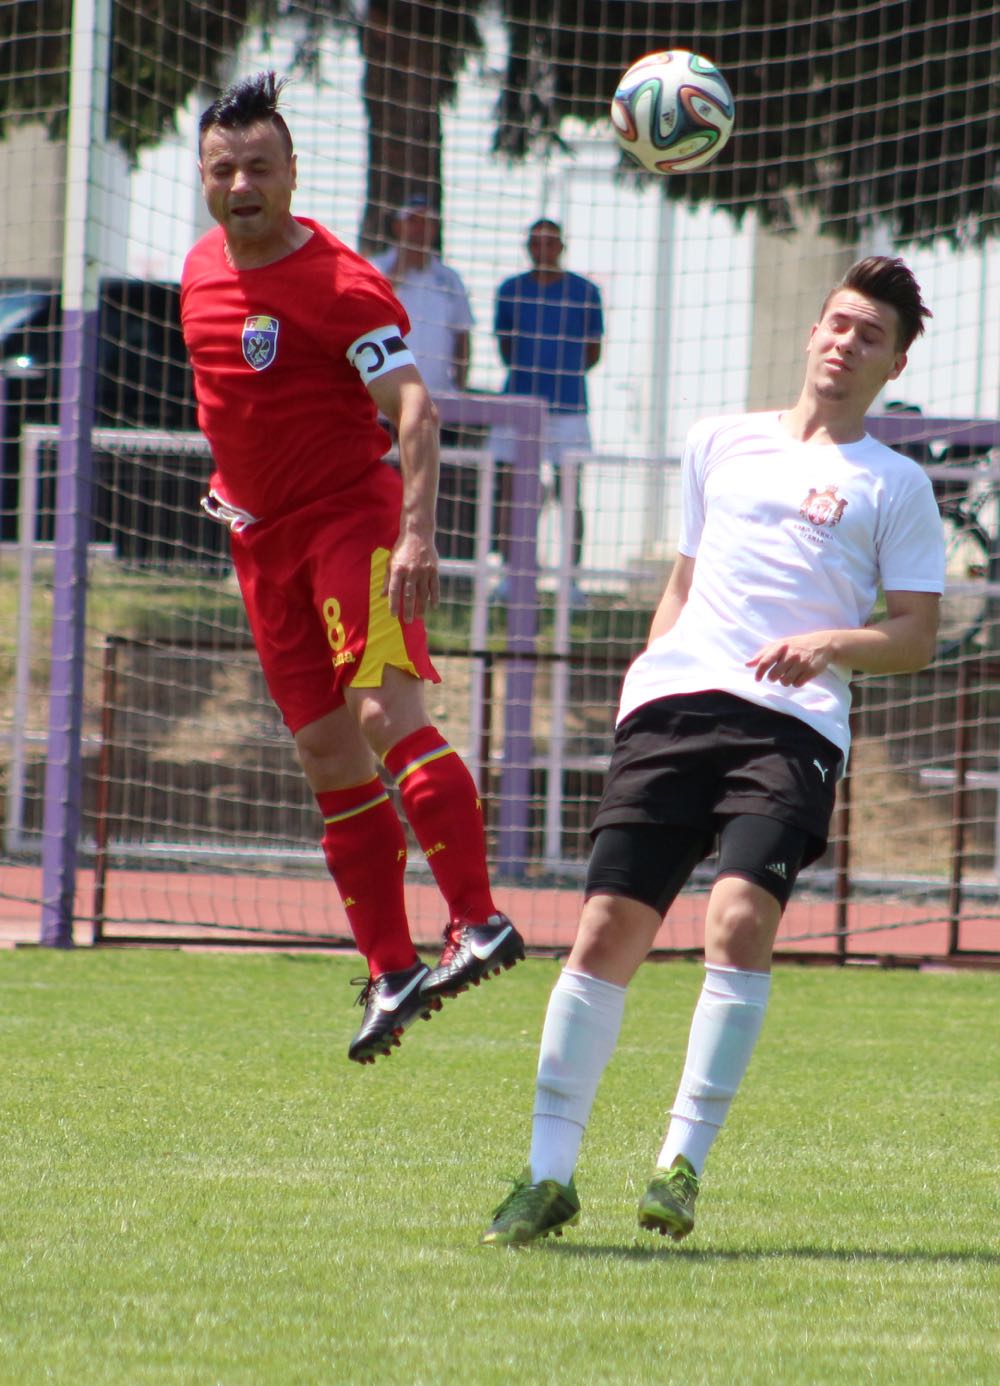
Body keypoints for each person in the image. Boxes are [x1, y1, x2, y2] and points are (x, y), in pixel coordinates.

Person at [480, 255, 944, 1246]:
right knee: (605, 927)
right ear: (811, 333)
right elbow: (684, 581)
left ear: (893, 363)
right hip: (673, 706)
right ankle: (546, 1174)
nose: (842, 342)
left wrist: (828, 643)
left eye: (868, 334)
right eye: (834, 323)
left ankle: (678, 1164)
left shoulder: (895, 485)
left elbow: (914, 635)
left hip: (792, 723)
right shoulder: (717, 442)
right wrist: (645, 675)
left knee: (737, 918)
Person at [180, 72, 524, 1067]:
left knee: (383, 716)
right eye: (222, 167)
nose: (241, 183)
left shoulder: (340, 283)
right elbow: (237, 403)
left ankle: (479, 920)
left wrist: (416, 534)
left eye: (258, 166)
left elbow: (414, 408)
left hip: (352, 525)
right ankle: (391, 968)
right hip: (261, 545)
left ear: (293, 174)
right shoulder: (200, 269)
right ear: (205, 178)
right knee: (328, 756)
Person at [491, 219, 604, 598]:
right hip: (519, 402)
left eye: (549, 242)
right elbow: (506, 347)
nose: (543, 249)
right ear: (528, 247)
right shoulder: (510, 291)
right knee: (512, 489)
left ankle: (571, 581)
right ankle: (512, 575)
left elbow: (593, 350)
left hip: (569, 406)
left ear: (561, 246)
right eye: (535, 243)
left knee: (570, 492)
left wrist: (561, 376)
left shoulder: (585, 291)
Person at [370, 195, 477, 560]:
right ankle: (379, 552)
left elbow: (463, 335)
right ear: (397, 226)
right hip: (383, 404)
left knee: (431, 486)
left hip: (434, 406)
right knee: (383, 483)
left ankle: (430, 556)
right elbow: (370, 311)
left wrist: (459, 385)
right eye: (413, 221)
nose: (420, 230)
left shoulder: (449, 279)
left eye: (427, 222)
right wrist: (402, 267)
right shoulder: (376, 268)